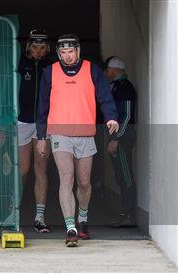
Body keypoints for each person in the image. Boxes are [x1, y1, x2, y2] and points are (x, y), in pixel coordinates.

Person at [36, 34, 119, 247]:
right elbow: (42, 107)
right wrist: (41, 136)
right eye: (62, 53)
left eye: (70, 52)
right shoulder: (49, 72)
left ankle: (83, 219)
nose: (67, 56)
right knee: (67, 177)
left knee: (84, 182)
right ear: (58, 53)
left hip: (85, 133)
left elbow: (105, 97)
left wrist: (111, 117)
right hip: (59, 133)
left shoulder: (93, 70)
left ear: (78, 50)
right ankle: (71, 227)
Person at [17, 29, 53, 233]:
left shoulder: (52, 66)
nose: (38, 52)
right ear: (29, 46)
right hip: (22, 121)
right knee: (23, 169)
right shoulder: (20, 64)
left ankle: (40, 216)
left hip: (44, 124)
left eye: (42, 48)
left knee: (41, 169)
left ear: (47, 48)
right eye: (35, 47)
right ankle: (14, 211)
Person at [103, 56, 137, 228]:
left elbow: (127, 116)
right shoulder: (116, 86)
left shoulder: (125, 88)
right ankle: (125, 213)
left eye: (108, 70)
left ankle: (128, 214)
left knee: (125, 176)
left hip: (123, 139)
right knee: (120, 175)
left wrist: (116, 138)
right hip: (118, 138)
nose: (106, 73)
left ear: (115, 70)